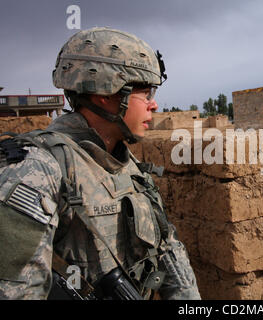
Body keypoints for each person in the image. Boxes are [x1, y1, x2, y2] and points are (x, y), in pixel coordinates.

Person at [0, 27, 201, 300]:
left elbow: (167, 251)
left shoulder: (128, 166)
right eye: (146, 93)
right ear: (106, 93)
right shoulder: (36, 169)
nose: (154, 105)